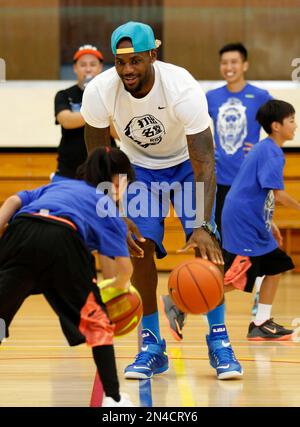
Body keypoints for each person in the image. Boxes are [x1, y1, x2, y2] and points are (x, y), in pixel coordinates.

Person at [81, 21, 243, 380]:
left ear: (153, 54)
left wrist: (202, 225)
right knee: (139, 244)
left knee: (207, 247)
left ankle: (219, 340)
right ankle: (152, 345)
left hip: (187, 164)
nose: (127, 70)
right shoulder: (99, 91)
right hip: (139, 168)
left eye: (135, 61)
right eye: (120, 63)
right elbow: (98, 158)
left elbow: (204, 162)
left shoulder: (181, 87)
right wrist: (113, 213)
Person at [0, 147, 135, 407]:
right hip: (62, 239)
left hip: (21, 230)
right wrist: (115, 290)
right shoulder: (107, 205)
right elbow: (125, 269)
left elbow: (14, 201)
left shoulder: (57, 188)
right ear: (118, 181)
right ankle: (114, 399)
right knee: (98, 324)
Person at [161, 43, 273, 335]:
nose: (229, 67)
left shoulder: (260, 97)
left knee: (248, 254)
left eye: (234, 62)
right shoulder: (210, 97)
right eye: (224, 63)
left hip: (247, 184)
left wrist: (260, 148)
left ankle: (182, 302)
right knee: (214, 253)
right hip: (216, 183)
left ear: (245, 65)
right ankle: (184, 302)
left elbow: (276, 128)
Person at [222, 99, 297, 340]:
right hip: (243, 221)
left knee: (277, 265)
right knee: (238, 279)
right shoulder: (271, 153)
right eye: (291, 120)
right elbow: (278, 194)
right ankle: (180, 304)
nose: (295, 125)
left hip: (251, 219)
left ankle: (261, 322)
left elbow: (258, 191)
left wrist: (269, 222)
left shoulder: (266, 148)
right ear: (276, 126)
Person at [54, 44, 117, 181]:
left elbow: (117, 134)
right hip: (68, 172)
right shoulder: (64, 95)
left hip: (104, 170)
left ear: (100, 68)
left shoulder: (111, 96)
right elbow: (66, 121)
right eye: (83, 64)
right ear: (75, 68)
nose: (88, 69)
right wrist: (99, 112)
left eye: (93, 64)